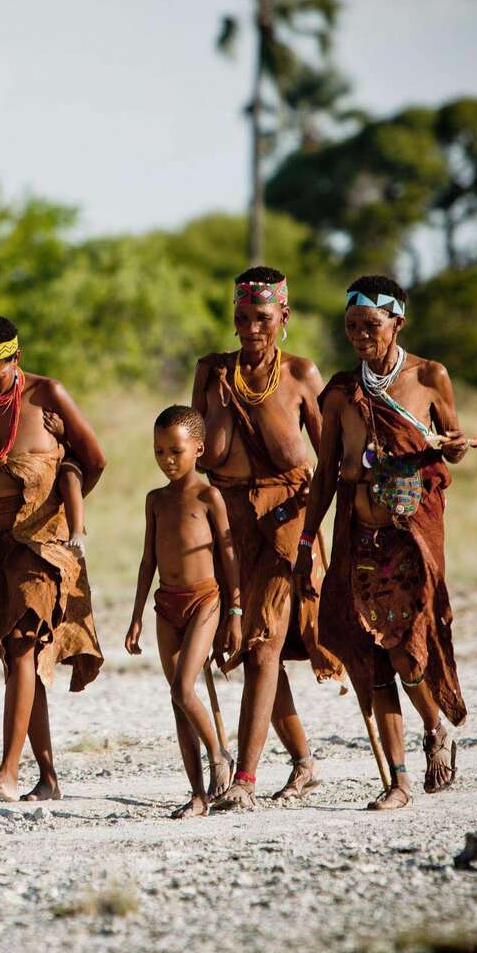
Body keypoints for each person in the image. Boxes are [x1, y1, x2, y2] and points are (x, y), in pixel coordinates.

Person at [294, 275, 474, 810]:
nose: (359, 336)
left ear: (397, 321)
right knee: (368, 655)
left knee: (403, 650)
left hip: (410, 540)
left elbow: (452, 446)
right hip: (359, 540)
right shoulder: (341, 393)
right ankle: (397, 781)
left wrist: (456, 447)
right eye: (352, 326)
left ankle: (434, 725)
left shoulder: (429, 376)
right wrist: (308, 537)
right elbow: (327, 472)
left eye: (370, 325)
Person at [192, 267, 340, 811]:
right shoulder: (211, 373)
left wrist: (319, 531)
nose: (250, 329)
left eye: (261, 318)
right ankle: (303, 763)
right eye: (241, 318)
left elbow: (331, 463)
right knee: (246, 646)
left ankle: (245, 780)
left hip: (287, 519)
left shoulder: (301, 375)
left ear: (284, 318)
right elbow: (195, 455)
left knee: (262, 645)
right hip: (229, 521)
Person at [0, 315, 106, 803]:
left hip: (42, 545)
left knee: (22, 645)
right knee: (18, 656)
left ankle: (8, 772)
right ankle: (48, 777)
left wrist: (66, 514)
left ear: (16, 362)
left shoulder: (47, 395)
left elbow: (92, 459)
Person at [124, 407, 243, 818]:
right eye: (159, 451)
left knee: (182, 688)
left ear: (199, 449)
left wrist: (236, 612)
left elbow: (228, 558)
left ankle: (219, 755)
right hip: (166, 604)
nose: (167, 460)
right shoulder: (155, 500)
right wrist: (138, 615)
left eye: (175, 451)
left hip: (204, 601)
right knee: (179, 701)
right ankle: (197, 794)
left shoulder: (209, 497)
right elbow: (147, 561)